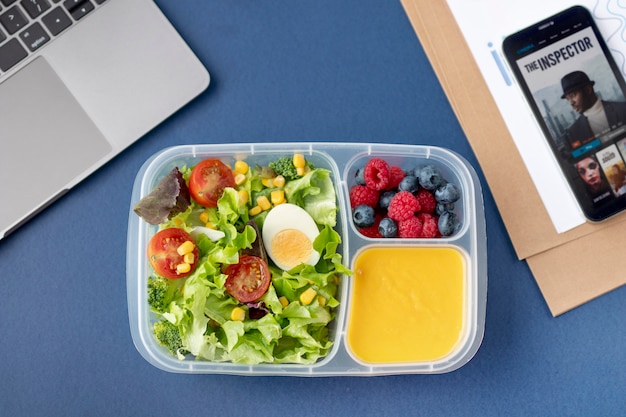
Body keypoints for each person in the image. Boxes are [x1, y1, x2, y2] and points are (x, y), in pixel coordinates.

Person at [561, 71, 626, 148]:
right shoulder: (573, 132)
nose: (571, 102)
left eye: (572, 95)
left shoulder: (622, 109)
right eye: (568, 99)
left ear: (588, 90)